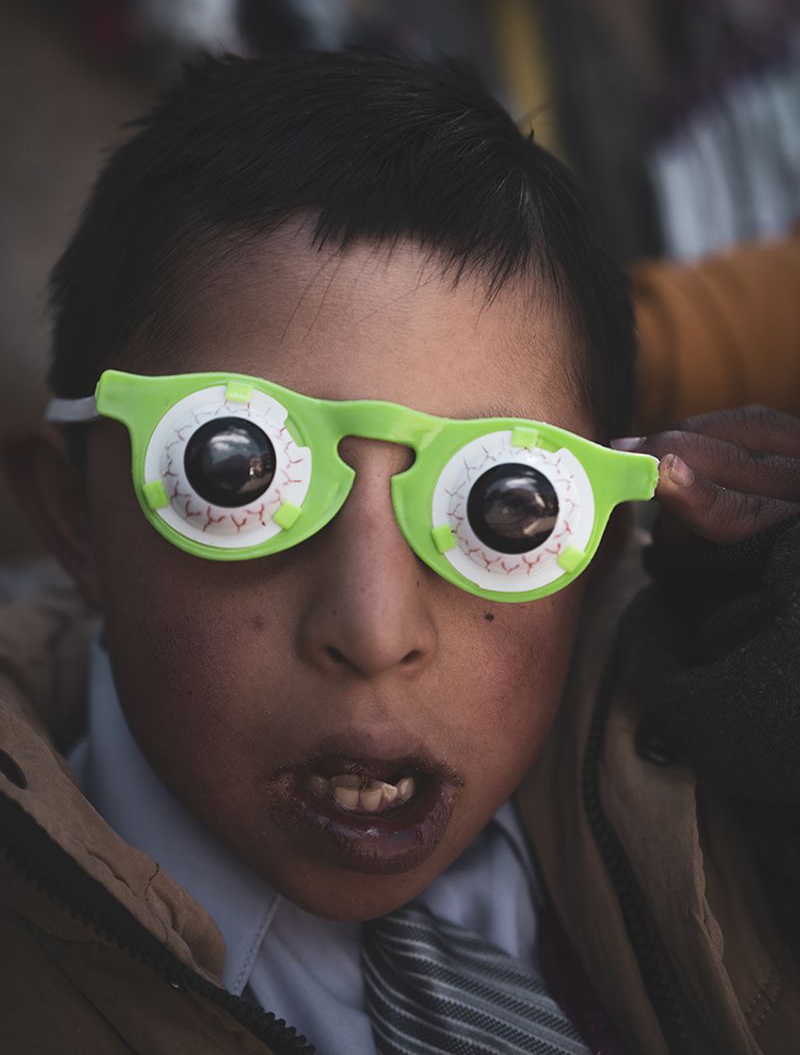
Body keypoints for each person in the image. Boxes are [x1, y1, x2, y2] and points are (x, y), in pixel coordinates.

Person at [1, 51, 799, 1055]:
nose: (374, 629)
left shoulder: (726, 811)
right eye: (232, 471)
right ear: (71, 512)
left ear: (594, 542)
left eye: (509, 504)